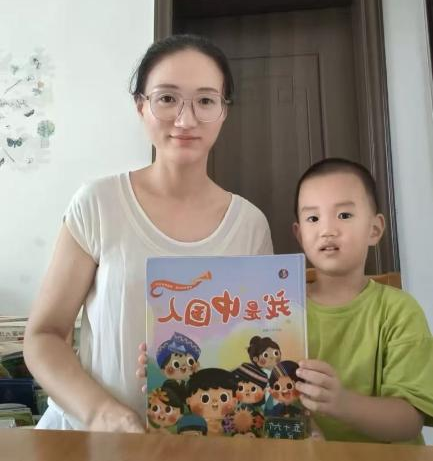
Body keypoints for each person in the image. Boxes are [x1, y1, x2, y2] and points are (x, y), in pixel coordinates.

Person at [23, 34, 273, 432]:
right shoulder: (98, 204)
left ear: (224, 111)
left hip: (200, 443)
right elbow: (44, 335)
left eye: (206, 100)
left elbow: (254, 349)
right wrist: (103, 414)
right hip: (87, 439)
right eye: (167, 98)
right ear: (141, 106)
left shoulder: (250, 226)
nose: (185, 119)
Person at [292, 157, 433, 443]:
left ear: (374, 229)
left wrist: (341, 402)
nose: (327, 230)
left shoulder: (399, 310)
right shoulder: (283, 311)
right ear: (299, 234)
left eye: (344, 215)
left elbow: (410, 420)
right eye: (313, 218)